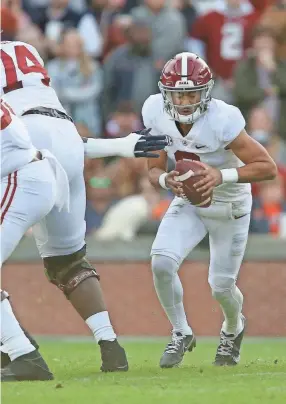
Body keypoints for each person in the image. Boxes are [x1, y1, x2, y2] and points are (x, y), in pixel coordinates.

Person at [0, 40, 167, 381]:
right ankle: (110, 345)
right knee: (69, 261)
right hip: (66, 135)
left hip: (21, 145)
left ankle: (19, 350)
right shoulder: (24, 49)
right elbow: (49, 130)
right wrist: (120, 145)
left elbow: (23, 132)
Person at [143, 52, 277, 368]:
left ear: (206, 92)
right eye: (179, 94)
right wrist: (166, 179)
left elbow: (267, 167)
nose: (186, 101)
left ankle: (233, 328)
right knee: (161, 262)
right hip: (189, 201)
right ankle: (180, 331)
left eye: (192, 93)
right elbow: (152, 168)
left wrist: (221, 175)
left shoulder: (222, 119)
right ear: (166, 93)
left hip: (230, 204)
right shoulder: (154, 113)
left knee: (221, 287)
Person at [0, 98, 70, 381]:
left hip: (20, 179)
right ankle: (12, 344)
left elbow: (15, 135)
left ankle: (22, 353)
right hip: (23, 177)